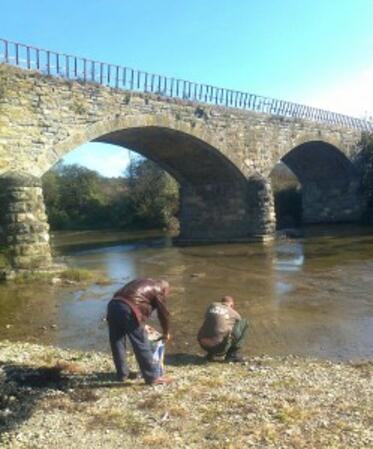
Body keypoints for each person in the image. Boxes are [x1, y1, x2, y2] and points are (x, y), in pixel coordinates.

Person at [107, 278, 172, 385]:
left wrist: (140, 322)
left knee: (117, 342)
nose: (166, 296)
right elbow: (163, 314)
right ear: (164, 290)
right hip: (128, 309)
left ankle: (122, 374)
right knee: (141, 343)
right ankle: (153, 378)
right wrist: (166, 332)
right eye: (167, 294)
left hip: (113, 305)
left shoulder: (144, 281)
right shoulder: (158, 290)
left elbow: (134, 299)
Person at [197, 296, 248, 362]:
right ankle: (232, 355)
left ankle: (210, 354)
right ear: (232, 305)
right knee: (244, 323)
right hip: (219, 348)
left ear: (221, 302)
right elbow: (238, 327)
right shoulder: (234, 313)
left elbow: (208, 318)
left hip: (202, 344)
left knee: (213, 324)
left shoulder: (212, 305)